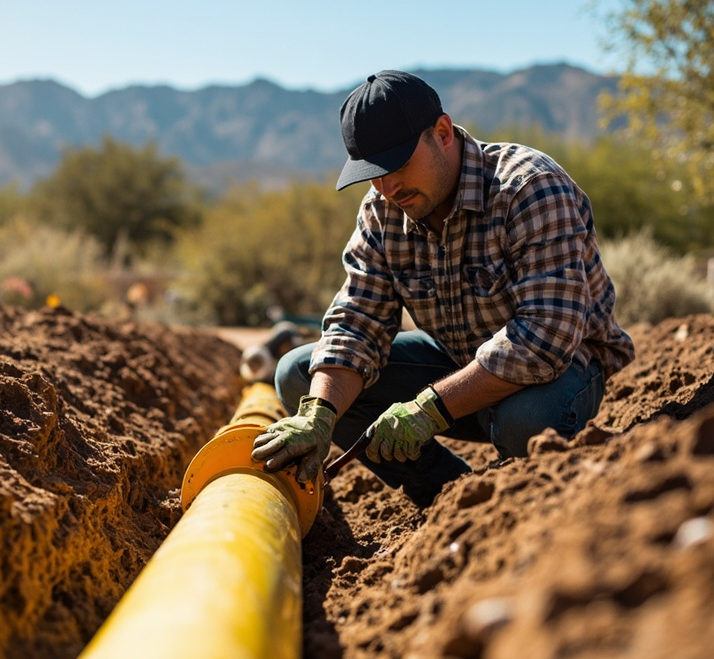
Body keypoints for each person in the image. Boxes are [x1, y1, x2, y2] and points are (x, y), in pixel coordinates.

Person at [250, 70, 635, 506]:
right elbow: (357, 322)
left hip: (563, 371)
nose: (386, 187)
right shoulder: (382, 210)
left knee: (526, 421)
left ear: (443, 133)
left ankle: (526, 501)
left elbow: (545, 337)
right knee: (301, 376)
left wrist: (428, 409)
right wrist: (319, 415)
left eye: (396, 165)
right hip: (460, 367)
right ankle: (449, 494)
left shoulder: (529, 188)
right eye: (372, 173)